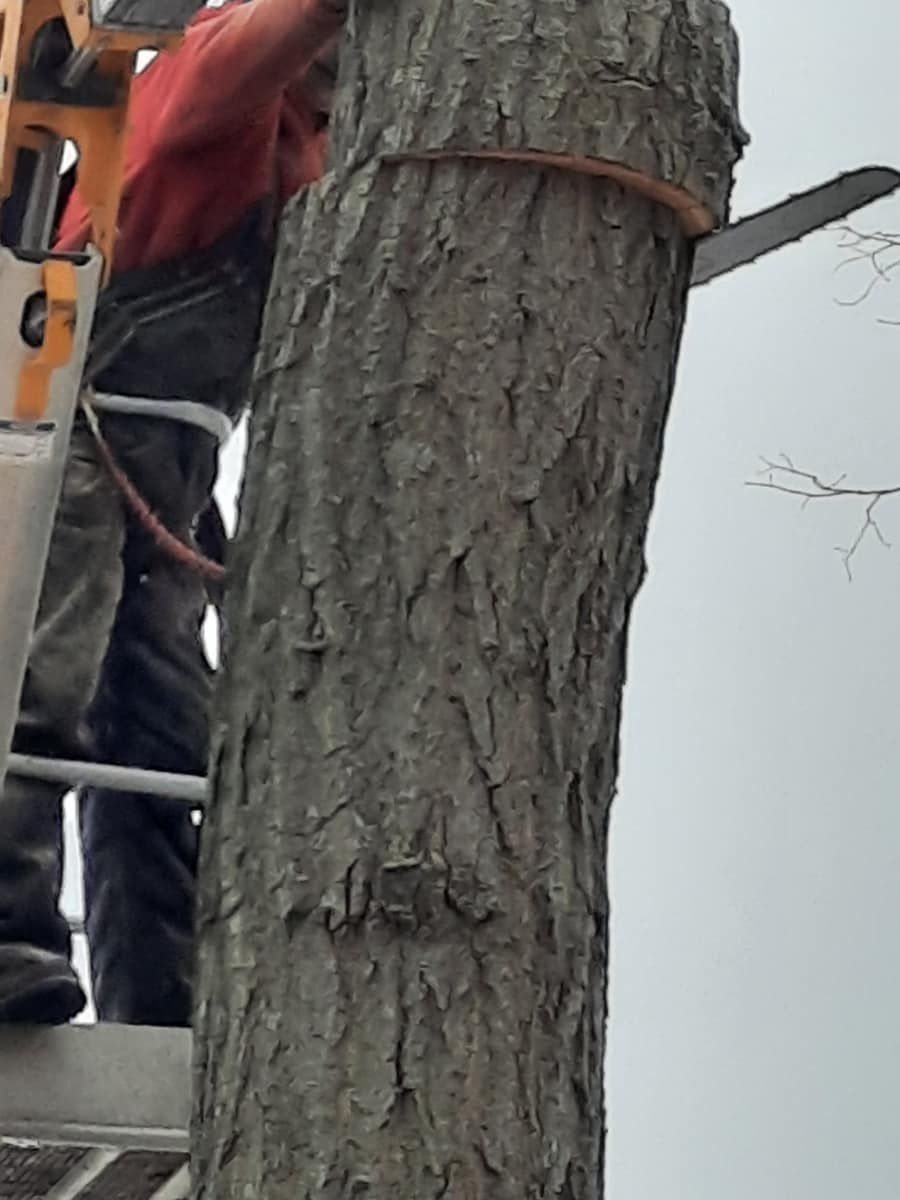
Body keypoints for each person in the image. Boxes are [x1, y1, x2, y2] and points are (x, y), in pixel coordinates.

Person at [0, 0, 347, 1026]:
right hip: (78, 422)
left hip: (173, 464)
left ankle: (163, 996)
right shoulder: (213, 82)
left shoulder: (324, 161)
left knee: (157, 739)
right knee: (37, 679)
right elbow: (270, 31)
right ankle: (6, 934)